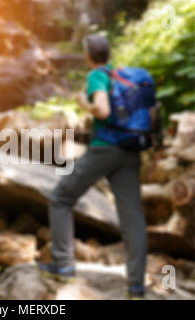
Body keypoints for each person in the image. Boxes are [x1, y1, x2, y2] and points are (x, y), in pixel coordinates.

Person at [38, 34, 148, 299]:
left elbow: (102, 110)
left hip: (105, 150)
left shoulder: (97, 76)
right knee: (132, 216)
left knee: (60, 197)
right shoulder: (124, 76)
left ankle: (63, 265)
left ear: (88, 56)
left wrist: (84, 104)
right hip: (130, 151)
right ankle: (136, 286)